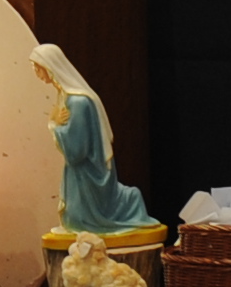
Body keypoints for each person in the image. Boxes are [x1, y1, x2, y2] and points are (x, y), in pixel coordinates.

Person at [35, 43, 157, 241]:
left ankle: (122, 207)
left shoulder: (78, 102)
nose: (36, 72)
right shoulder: (66, 97)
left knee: (78, 221)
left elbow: (76, 152)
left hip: (88, 174)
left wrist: (54, 126)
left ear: (50, 67)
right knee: (73, 221)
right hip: (79, 173)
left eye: (37, 67)